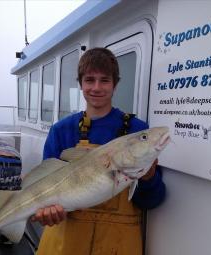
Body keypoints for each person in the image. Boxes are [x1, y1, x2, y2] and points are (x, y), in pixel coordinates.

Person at [32, 48, 166, 254]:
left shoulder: (138, 130)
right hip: (67, 243)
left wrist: (148, 178)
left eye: (104, 80)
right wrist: (47, 213)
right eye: (89, 80)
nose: (96, 87)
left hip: (117, 244)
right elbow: (45, 188)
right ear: (80, 83)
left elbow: (152, 201)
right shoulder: (61, 130)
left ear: (115, 84)